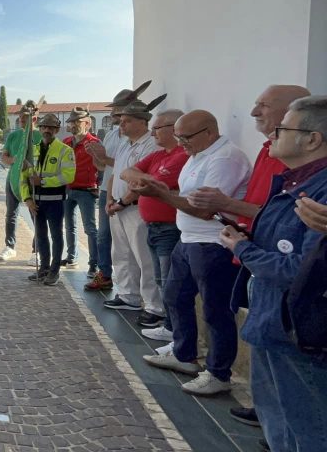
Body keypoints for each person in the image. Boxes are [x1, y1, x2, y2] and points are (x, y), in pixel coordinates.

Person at [181, 84, 309, 426]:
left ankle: (235, 383)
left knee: (223, 314)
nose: (253, 112)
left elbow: (284, 220)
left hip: (264, 261)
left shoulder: (297, 166)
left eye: (263, 106)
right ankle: (268, 411)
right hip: (251, 254)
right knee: (260, 338)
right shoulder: (270, 150)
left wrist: (226, 207)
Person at [219, 95, 327, 451]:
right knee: (277, 421)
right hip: (272, 323)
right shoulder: (294, 182)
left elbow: (302, 271)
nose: (271, 135)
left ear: (312, 139)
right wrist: (251, 238)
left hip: (296, 330)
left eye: (282, 128)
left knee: (306, 428)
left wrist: (242, 248)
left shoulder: (319, 192)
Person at [138, 110, 251, 396]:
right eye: (178, 137)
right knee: (175, 295)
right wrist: (164, 189)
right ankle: (183, 353)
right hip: (188, 240)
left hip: (213, 243)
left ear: (209, 132)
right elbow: (188, 197)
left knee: (216, 310)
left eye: (185, 137)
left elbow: (204, 209)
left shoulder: (225, 158)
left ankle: (218, 372)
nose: (181, 142)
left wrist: (162, 195)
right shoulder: (198, 154)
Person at [120, 109, 187, 341]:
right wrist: (148, 180)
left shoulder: (182, 156)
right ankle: (169, 325)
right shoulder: (159, 156)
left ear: (174, 128)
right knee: (161, 279)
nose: (153, 132)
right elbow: (126, 173)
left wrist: (146, 181)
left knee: (169, 281)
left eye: (157, 127)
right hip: (154, 226)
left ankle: (172, 328)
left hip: (169, 227)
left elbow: (159, 185)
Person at [84, 81, 152, 290]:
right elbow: (104, 166)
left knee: (137, 248)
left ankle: (138, 293)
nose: (115, 114)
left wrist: (105, 158)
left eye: (118, 110)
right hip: (109, 190)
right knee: (109, 239)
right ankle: (110, 277)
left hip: (129, 197)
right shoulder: (114, 135)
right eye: (115, 111)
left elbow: (126, 169)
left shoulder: (144, 140)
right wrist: (95, 156)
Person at [102, 97, 163, 319]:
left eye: (126, 121)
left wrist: (122, 202)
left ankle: (153, 305)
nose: (121, 125)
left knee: (143, 257)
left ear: (142, 122)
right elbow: (114, 175)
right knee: (121, 253)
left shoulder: (150, 145)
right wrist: (110, 199)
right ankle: (129, 295)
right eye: (121, 121)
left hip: (135, 208)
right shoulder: (124, 144)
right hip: (118, 206)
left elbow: (143, 182)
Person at [23, 114, 76, 285]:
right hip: (35, 202)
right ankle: (44, 268)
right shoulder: (33, 150)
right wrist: (27, 199)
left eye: (51, 128)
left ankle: (54, 271)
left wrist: (44, 181)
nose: (47, 130)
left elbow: (68, 176)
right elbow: (23, 178)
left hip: (55, 201)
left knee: (56, 235)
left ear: (57, 130)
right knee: (40, 236)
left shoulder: (65, 151)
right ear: (39, 129)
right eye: (44, 127)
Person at [0, 103, 41, 261]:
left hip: (31, 180)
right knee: (11, 214)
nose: (21, 121)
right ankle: (10, 247)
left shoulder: (39, 136)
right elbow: (4, 157)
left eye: (24, 118)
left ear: (34, 118)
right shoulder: (13, 136)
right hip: (13, 178)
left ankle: (37, 251)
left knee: (35, 213)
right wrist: (14, 159)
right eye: (20, 118)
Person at [62, 107, 100, 271]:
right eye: (72, 122)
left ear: (87, 123)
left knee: (90, 228)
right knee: (69, 226)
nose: (74, 125)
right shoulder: (66, 142)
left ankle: (94, 263)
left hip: (86, 190)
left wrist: (99, 185)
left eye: (78, 121)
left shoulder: (94, 143)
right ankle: (72, 257)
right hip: (68, 189)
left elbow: (103, 166)